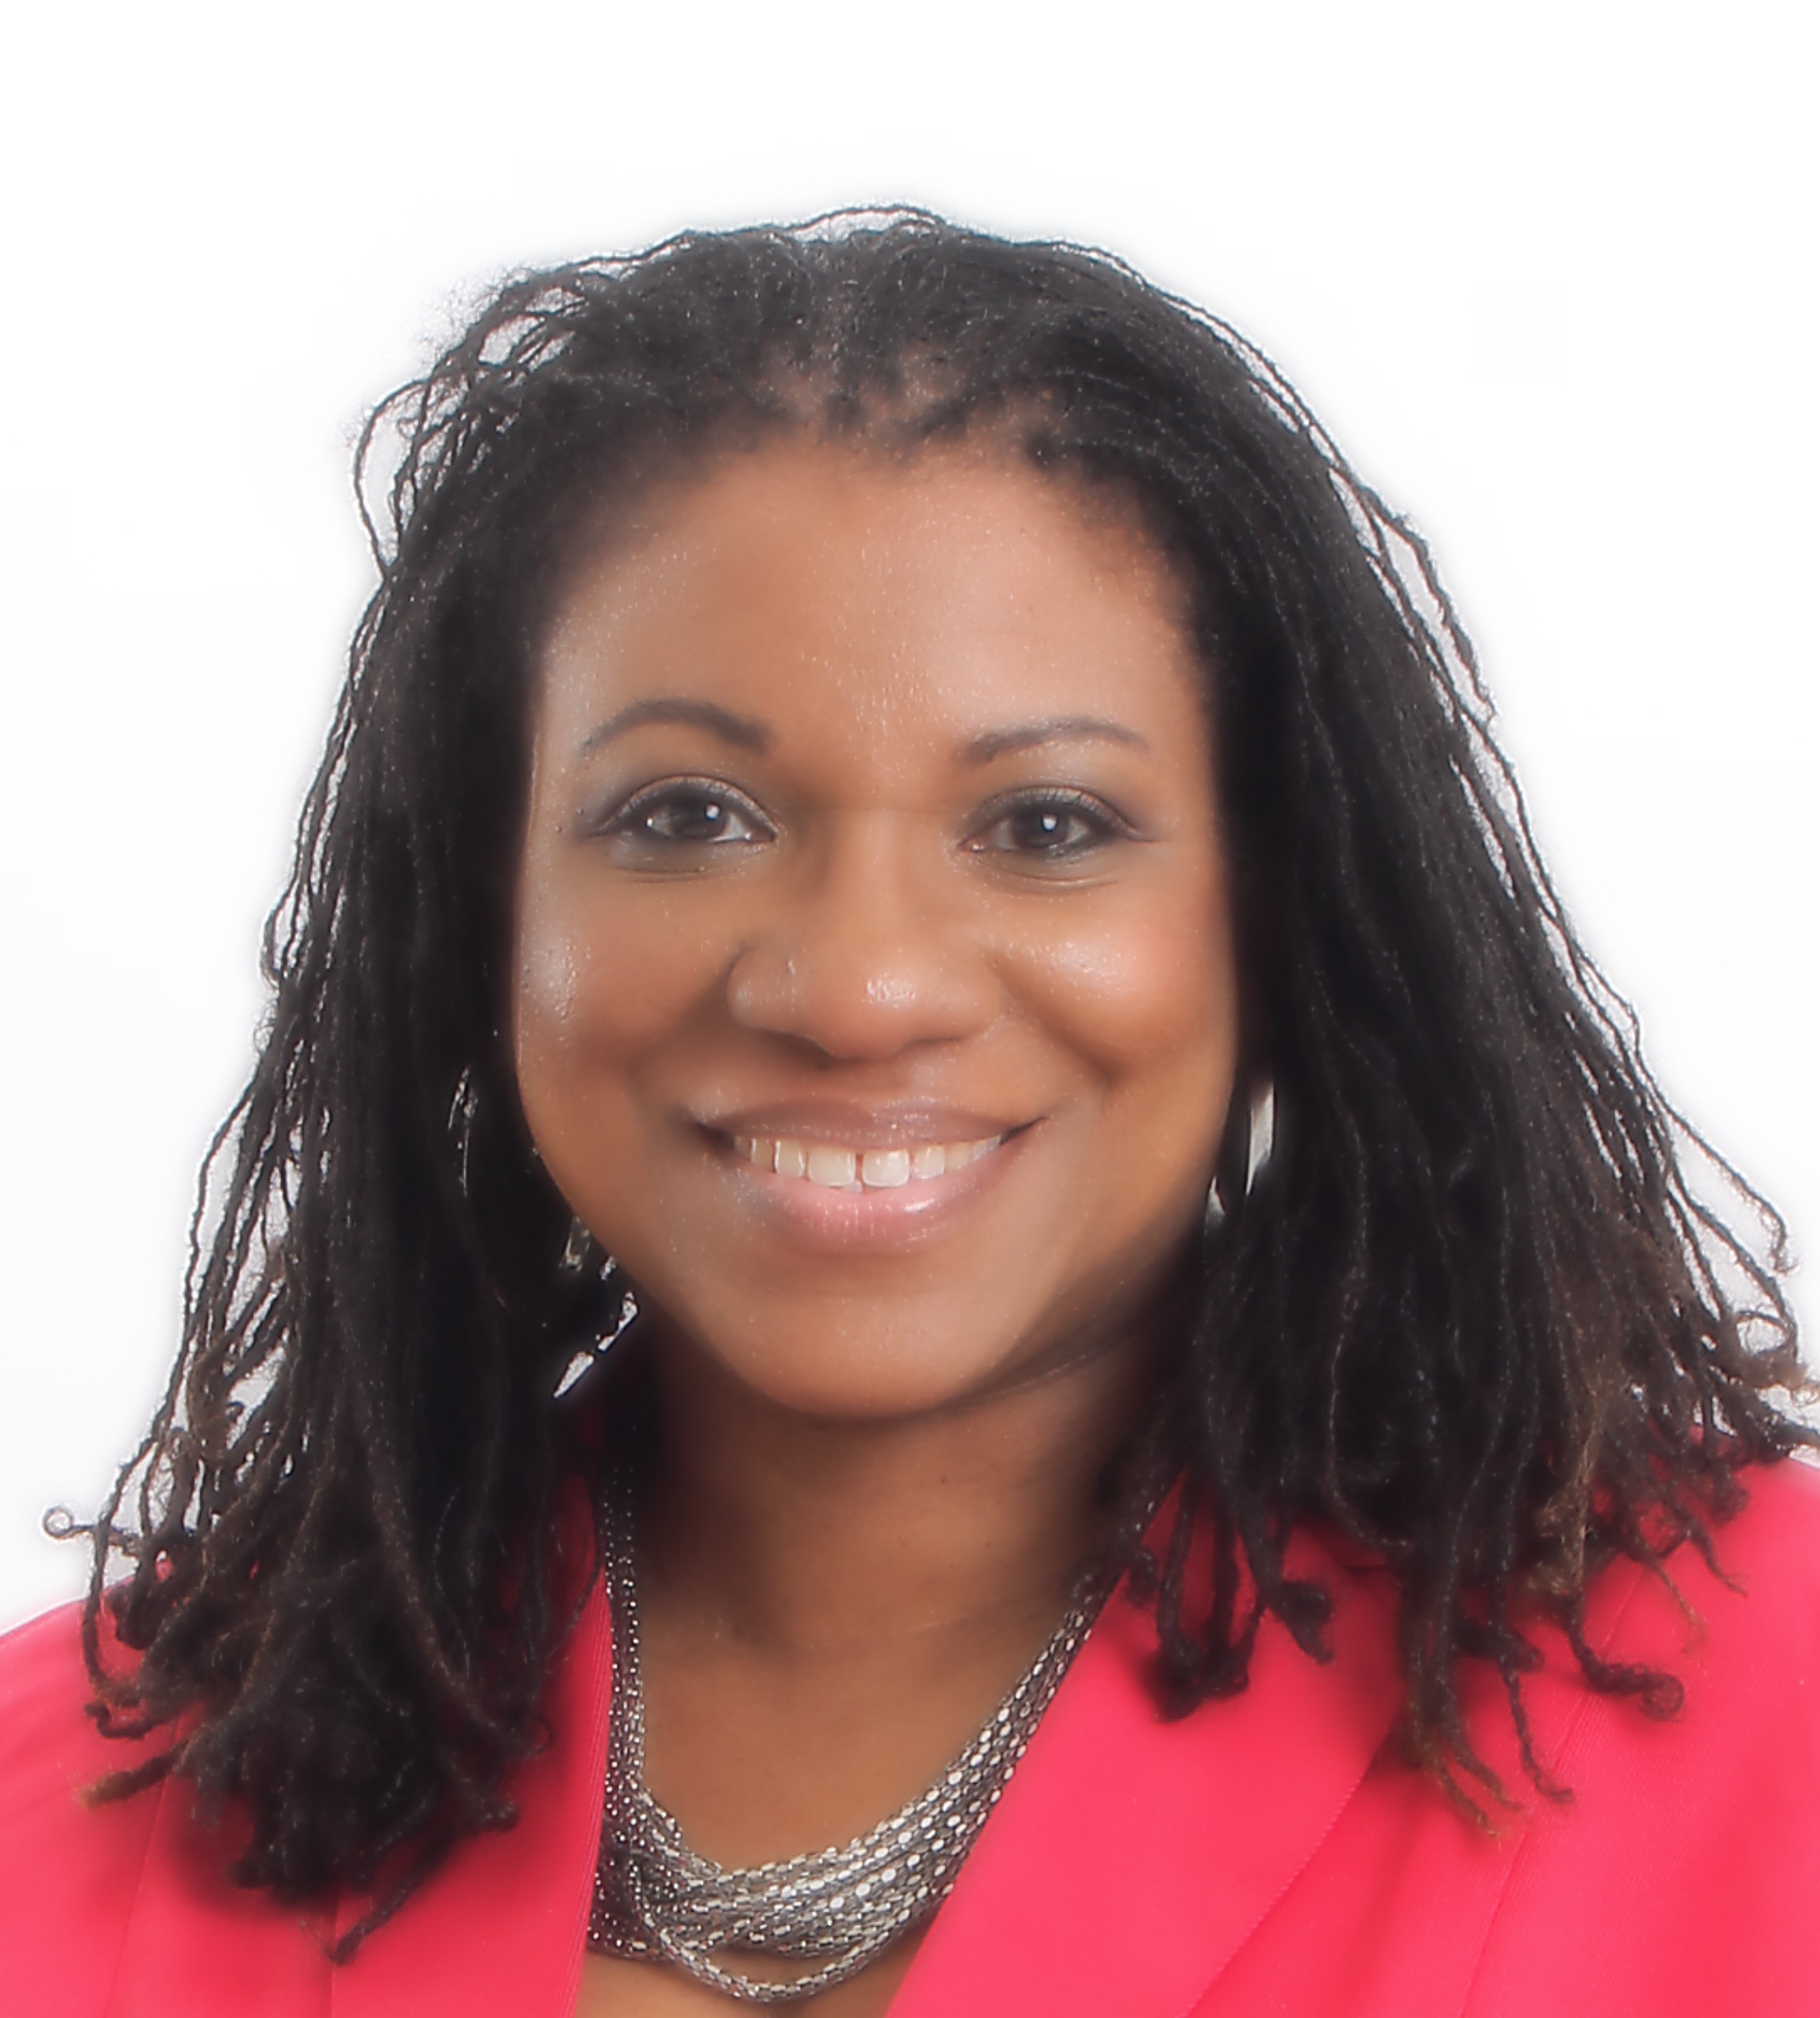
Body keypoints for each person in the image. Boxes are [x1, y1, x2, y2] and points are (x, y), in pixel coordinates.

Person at [2, 212, 1816, 2018]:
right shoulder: (57, 1801)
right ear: (481, 911)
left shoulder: (1769, 1709)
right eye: (688, 815)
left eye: (1044, 827)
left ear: (1289, 914)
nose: (857, 987)